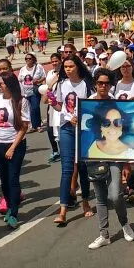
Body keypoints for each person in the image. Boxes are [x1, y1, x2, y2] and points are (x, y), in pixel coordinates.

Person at [85, 71, 134, 249]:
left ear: (111, 85)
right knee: (100, 197)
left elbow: (126, 130)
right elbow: (84, 128)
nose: (103, 86)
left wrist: (128, 161)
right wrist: (77, 121)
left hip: (114, 155)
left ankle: (124, 223)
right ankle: (103, 234)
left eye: (107, 83)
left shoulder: (117, 104)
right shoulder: (87, 103)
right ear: (95, 84)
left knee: (115, 195)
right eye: (100, 83)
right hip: (94, 155)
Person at [48, 54, 95, 225]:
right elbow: (57, 104)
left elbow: (92, 105)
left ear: (78, 66)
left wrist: (80, 117)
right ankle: (63, 210)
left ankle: (86, 203)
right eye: (65, 67)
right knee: (67, 168)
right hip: (66, 128)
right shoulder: (61, 84)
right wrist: (65, 114)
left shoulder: (86, 84)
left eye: (71, 66)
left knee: (82, 166)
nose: (68, 69)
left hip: (83, 129)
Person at [0, 73, 29, 229]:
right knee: (4, 180)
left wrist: (12, 147)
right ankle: (9, 203)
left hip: (15, 145)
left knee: (13, 178)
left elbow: (24, 126)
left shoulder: (21, 101)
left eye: (2, 83)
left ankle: (13, 212)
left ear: (10, 84)